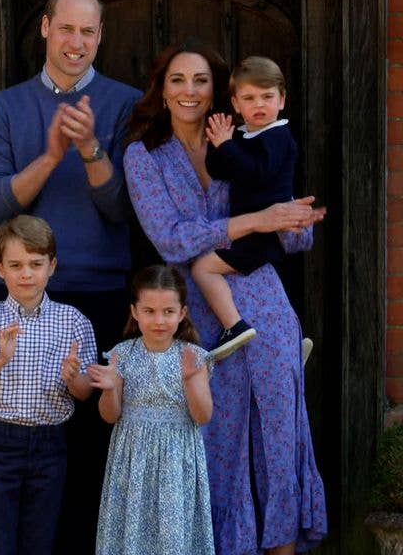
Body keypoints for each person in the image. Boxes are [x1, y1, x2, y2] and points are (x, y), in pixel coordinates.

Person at [122, 39, 327, 555]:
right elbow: (170, 237)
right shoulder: (143, 155)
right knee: (215, 443)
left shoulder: (245, 137)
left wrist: (295, 221)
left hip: (265, 298)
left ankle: (282, 547)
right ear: (161, 91)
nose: (189, 91)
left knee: (279, 438)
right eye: (177, 80)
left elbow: (288, 228)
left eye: (200, 80)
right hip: (198, 315)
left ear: (220, 92)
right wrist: (257, 220)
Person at [0, 0, 140, 550]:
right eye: (66, 29)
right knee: (16, 452)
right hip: (20, 298)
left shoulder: (126, 105)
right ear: (45, 28)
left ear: (100, 36)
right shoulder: (4, 107)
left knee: (91, 454)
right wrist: (49, 156)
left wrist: (91, 149)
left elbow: (123, 210)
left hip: (99, 296)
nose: (76, 42)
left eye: (88, 31)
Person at [0, 214, 96, 555]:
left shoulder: (73, 321)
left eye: (36, 264)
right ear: (0, 269)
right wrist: (0, 360)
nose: (26, 274)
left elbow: (84, 392)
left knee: (39, 541)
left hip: (50, 444)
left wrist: (73, 377)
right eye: (16, 265)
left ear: (52, 266)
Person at [88, 265, 215, 555]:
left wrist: (191, 381)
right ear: (135, 311)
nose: (159, 320)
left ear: (182, 313)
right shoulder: (123, 353)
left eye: (168, 312)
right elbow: (110, 415)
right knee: (132, 532)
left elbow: (202, 416)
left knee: (173, 537)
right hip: (132, 459)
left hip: (176, 459)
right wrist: (109, 388)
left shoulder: (194, 357)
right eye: (149, 311)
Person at [190, 56, 296, 360]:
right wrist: (218, 143)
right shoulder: (247, 135)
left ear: (282, 99)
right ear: (236, 104)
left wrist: (227, 145)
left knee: (203, 267)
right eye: (249, 98)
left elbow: (255, 173)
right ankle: (285, 344)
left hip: (263, 235)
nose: (259, 105)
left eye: (267, 97)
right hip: (250, 231)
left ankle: (233, 326)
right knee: (263, 292)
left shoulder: (277, 137)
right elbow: (220, 170)